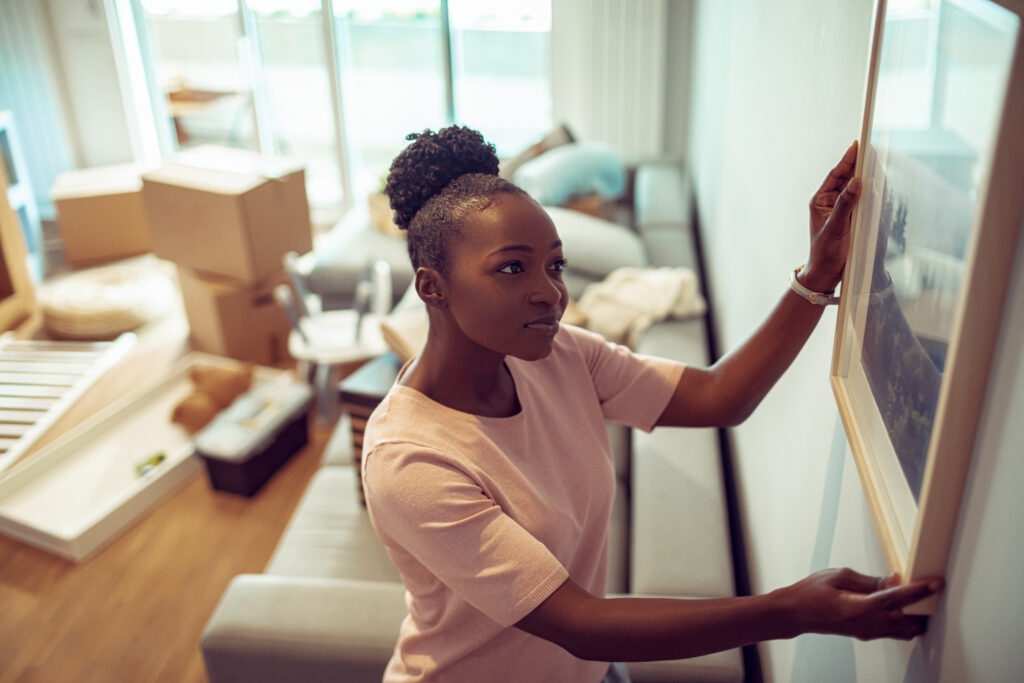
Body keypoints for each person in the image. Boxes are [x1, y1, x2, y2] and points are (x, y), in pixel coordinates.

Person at [360, 125, 943, 682]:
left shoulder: (560, 354)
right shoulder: (409, 459)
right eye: (512, 268)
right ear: (432, 286)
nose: (551, 292)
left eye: (554, 264)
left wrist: (819, 271)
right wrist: (790, 611)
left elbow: (720, 396)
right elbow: (580, 623)